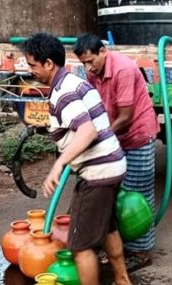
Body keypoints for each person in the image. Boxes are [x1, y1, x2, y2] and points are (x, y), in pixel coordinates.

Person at [22, 32, 132, 285]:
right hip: (113, 165)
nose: (30, 71)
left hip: (98, 173)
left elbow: (87, 131)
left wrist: (59, 164)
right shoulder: (75, 81)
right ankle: (122, 280)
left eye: (32, 65)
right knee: (108, 228)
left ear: (49, 63)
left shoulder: (63, 92)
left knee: (80, 245)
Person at [74, 33, 159, 271]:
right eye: (84, 64)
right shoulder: (92, 73)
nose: (88, 67)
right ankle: (112, 244)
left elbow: (126, 116)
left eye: (91, 61)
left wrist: (99, 138)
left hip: (136, 135)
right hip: (113, 136)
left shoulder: (123, 69)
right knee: (108, 193)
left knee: (137, 194)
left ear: (103, 52)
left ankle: (141, 251)